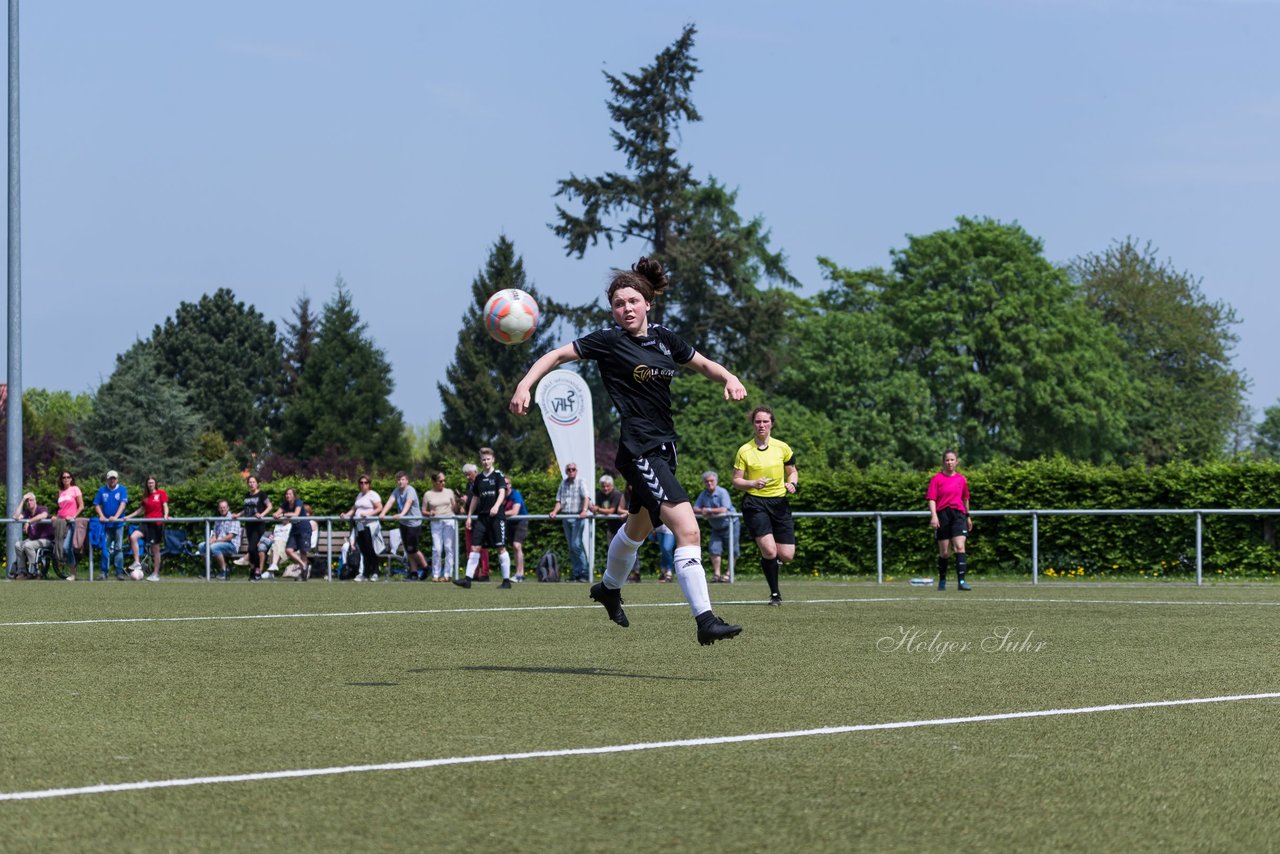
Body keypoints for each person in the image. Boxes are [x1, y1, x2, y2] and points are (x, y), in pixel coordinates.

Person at [510, 256, 744, 645]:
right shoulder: (608, 341)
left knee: (637, 529)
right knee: (687, 529)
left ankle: (607, 588)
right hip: (640, 449)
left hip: (665, 448)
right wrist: (525, 384)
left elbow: (703, 364)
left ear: (647, 303)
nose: (626, 309)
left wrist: (729, 377)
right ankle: (705, 620)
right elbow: (556, 356)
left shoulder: (665, 338)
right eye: (618, 304)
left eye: (632, 301)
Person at [732, 407, 799, 606]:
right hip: (755, 503)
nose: (761, 425)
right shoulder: (745, 450)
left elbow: (792, 472)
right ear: (753, 424)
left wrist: (792, 484)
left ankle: (772, 564)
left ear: (772, 424)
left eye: (765, 422)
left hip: (779, 503)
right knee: (770, 551)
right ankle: (775, 594)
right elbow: (736, 481)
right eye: (758, 422)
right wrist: (752, 483)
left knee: (786, 555)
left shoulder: (783, 448)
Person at [453, 447, 513, 590]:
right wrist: (469, 516)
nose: (486, 462)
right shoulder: (479, 478)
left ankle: (506, 581)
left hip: (497, 517)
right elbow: (475, 498)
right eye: (483, 459)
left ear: (493, 460)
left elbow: (502, 493)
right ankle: (467, 580)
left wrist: (496, 506)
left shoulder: (498, 475)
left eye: (488, 459)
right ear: (481, 461)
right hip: (482, 518)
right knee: (474, 547)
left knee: (500, 547)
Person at [927, 449, 973, 591]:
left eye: (952, 460)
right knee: (945, 552)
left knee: (960, 546)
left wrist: (968, 516)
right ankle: (942, 580)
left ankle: (961, 582)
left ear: (957, 462)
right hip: (943, 515)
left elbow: (965, 498)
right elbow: (932, 499)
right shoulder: (936, 479)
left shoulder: (961, 479)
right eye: (947, 460)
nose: (949, 462)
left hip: (958, 515)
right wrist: (934, 516)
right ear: (943, 462)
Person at [380, 471, 427, 580]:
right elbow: (390, 502)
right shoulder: (396, 491)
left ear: (407, 481)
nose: (400, 482)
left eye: (402, 479)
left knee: (413, 549)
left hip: (413, 523)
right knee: (407, 549)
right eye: (398, 479)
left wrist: (401, 514)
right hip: (404, 523)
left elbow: (408, 503)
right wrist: (383, 513)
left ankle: (426, 568)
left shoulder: (410, 490)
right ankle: (414, 573)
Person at [549, 462, 592, 582]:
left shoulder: (581, 481)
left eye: (573, 469)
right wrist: (554, 512)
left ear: (576, 471)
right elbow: (559, 501)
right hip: (566, 517)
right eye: (569, 469)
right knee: (571, 547)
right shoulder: (563, 483)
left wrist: (584, 510)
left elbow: (586, 497)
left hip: (578, 517)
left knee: (576, 545)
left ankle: (584, 572)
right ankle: (576, 573)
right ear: (566, 471)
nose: (571, 471)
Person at [694, 470, 738, 583]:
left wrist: (708, 510)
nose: (709, 483)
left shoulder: (723, 492)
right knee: (714, 550)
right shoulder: (703, 494)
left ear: (716, 481)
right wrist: (706, 511)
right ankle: (717, 575)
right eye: (707, 481)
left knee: (732, 550)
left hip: (730, 525)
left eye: (711, 481)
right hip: (716, 527)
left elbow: (724, 509)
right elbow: (695, 508)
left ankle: (728, 574)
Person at [126, 475, 169, 582]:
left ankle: (155, 573)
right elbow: (141, 510)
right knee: (133, 537)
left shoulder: (161, 493)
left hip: (156, 524)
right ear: (146, 484)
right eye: (149, 483)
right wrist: (128, 517)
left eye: (152, 483)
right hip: (146, 523)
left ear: (155, 483)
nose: (150, 484)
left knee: (155, 549)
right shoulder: (145, 496)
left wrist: (166, 515)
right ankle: (137, 562)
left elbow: (165, 506)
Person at [341, 475, 383, 581]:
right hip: (359, 526)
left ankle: (375, 572)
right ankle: (365, 574)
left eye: (365, 482)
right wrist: (346, 515)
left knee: (370, 549)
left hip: (369, 525)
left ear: (369, 484)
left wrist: (368, 514)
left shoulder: (373, 494)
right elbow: (354, 509)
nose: (363, 484)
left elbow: (379, 508)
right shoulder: (359, 495)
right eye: (361, 482)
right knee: (363, 550)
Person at [591, 474, 632, 581]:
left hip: (623, 527)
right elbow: (595, 508)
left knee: (627, 551)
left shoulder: (616, 494)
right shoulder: (599, 495)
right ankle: (616, 574)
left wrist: (597, 509)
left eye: (608, 486)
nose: (605, 488)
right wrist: (593, 508)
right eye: (603, 486)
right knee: (613, 553)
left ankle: (632, 573)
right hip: (611, 528)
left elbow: (611, 510)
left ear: (612, 486)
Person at [424, 471, 461, 582]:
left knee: (449, 548)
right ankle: (436, 574)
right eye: (440, 481)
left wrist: (459, 504)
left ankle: (447, 574)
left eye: (444, 480)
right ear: (434, 482)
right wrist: (429, 513)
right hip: (436, 522)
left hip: (449, 520)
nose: (443, 483)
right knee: (437, 548)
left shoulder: (449, 492)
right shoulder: (428, 494)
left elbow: (455, 509)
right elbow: (423, 510)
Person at [232, 476, 272, 580]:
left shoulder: (262, 494)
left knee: (251, 548)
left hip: (258, 526)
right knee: (252, 550)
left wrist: (262, 514)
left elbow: (270, 506)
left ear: (257, 483)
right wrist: (238, 515)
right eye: (249, 482)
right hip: (248, 525)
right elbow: (246, 509)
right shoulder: (247, 495)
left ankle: (257, 569)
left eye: (253, 482)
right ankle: (253, 571)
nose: (251, 484)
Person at [92, 470, 129, 580]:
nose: (112, 480)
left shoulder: (122, 490)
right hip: (106, 526)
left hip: (118, 525)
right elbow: (97, 504)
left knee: (118, 548)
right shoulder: (102, 490)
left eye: (114, 478)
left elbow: (123, 505)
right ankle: (104, 573)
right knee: (105, 548)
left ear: (117, 479)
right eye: (110, 478)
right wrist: (102, 516)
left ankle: (119, 573)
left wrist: (116, 517)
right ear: (107, 479)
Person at [10, 492, 53, 579]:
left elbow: (44, 515)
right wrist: (22, 500)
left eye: (31, 500)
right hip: (33, 539)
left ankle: (35, 572)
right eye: (27, 501)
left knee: (28, 545)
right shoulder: (26, 513)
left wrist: (29, 521)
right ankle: (22, 571)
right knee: (18, 545)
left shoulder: (41, 509)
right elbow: (15, 516)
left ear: (35, 501)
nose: (29, 502)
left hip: (46, 539)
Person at [274, 487, 311, 581]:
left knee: (303, 552)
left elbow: (296, 514)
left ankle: (303, 576)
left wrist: (283, 515)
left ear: (294, 495)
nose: (287, 496)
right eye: (286, 494)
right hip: (294, 530)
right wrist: (275, 514)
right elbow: (276, 513)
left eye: (290, 494)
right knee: (288, 550)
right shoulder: (285, 504)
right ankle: (303, 565)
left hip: (304, 529)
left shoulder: (298, 502)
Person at [53, 470, 85, 580]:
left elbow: (81, 506)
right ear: (61, 480)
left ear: (71, 478)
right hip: (61, 523)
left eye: (68, 477)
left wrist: (73, 516)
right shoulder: (60, 492)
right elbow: (61, 509)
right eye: (64, 477)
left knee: (67, 548)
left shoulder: (75, 489)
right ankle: (67, 569)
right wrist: (56, 517)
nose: (66, 479)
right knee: (60, 547)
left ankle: (73, 573)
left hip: (71, 523)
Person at [198, 500, 241, 580]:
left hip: (231, 545)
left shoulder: (233, 518)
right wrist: (210, 541)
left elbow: (230, 536)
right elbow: (215, 535)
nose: (222, 509)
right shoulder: (218, 519)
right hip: (219, 543)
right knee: (201, 546)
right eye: (221, 507)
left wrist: (216, 541)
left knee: (214, 547)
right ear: (218, 509)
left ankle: (224, 571)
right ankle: (210, 571)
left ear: (228, 508)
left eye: (224, 507)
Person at [461, 462, 490, 579]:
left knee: (482, 548)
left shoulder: (483, 483)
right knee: (470, 548)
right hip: (470, 520)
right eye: (465, 475)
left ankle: (485, 573)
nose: (467, 477)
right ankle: (474, 573)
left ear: (476, 472)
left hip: (481, 519)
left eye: (469, 474)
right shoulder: (469, 486)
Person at [503, 476, 529, 582]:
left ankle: (519, 574)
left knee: (517, 545)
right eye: (503, 484)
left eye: (507, 484)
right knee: (514, 547)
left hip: (521, 521)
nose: (506, 486)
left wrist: (500, 514)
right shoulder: (501, 496)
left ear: (510, 485)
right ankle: (519, 573)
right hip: (510, 523)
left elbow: (515, 512)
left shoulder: (515, 494)